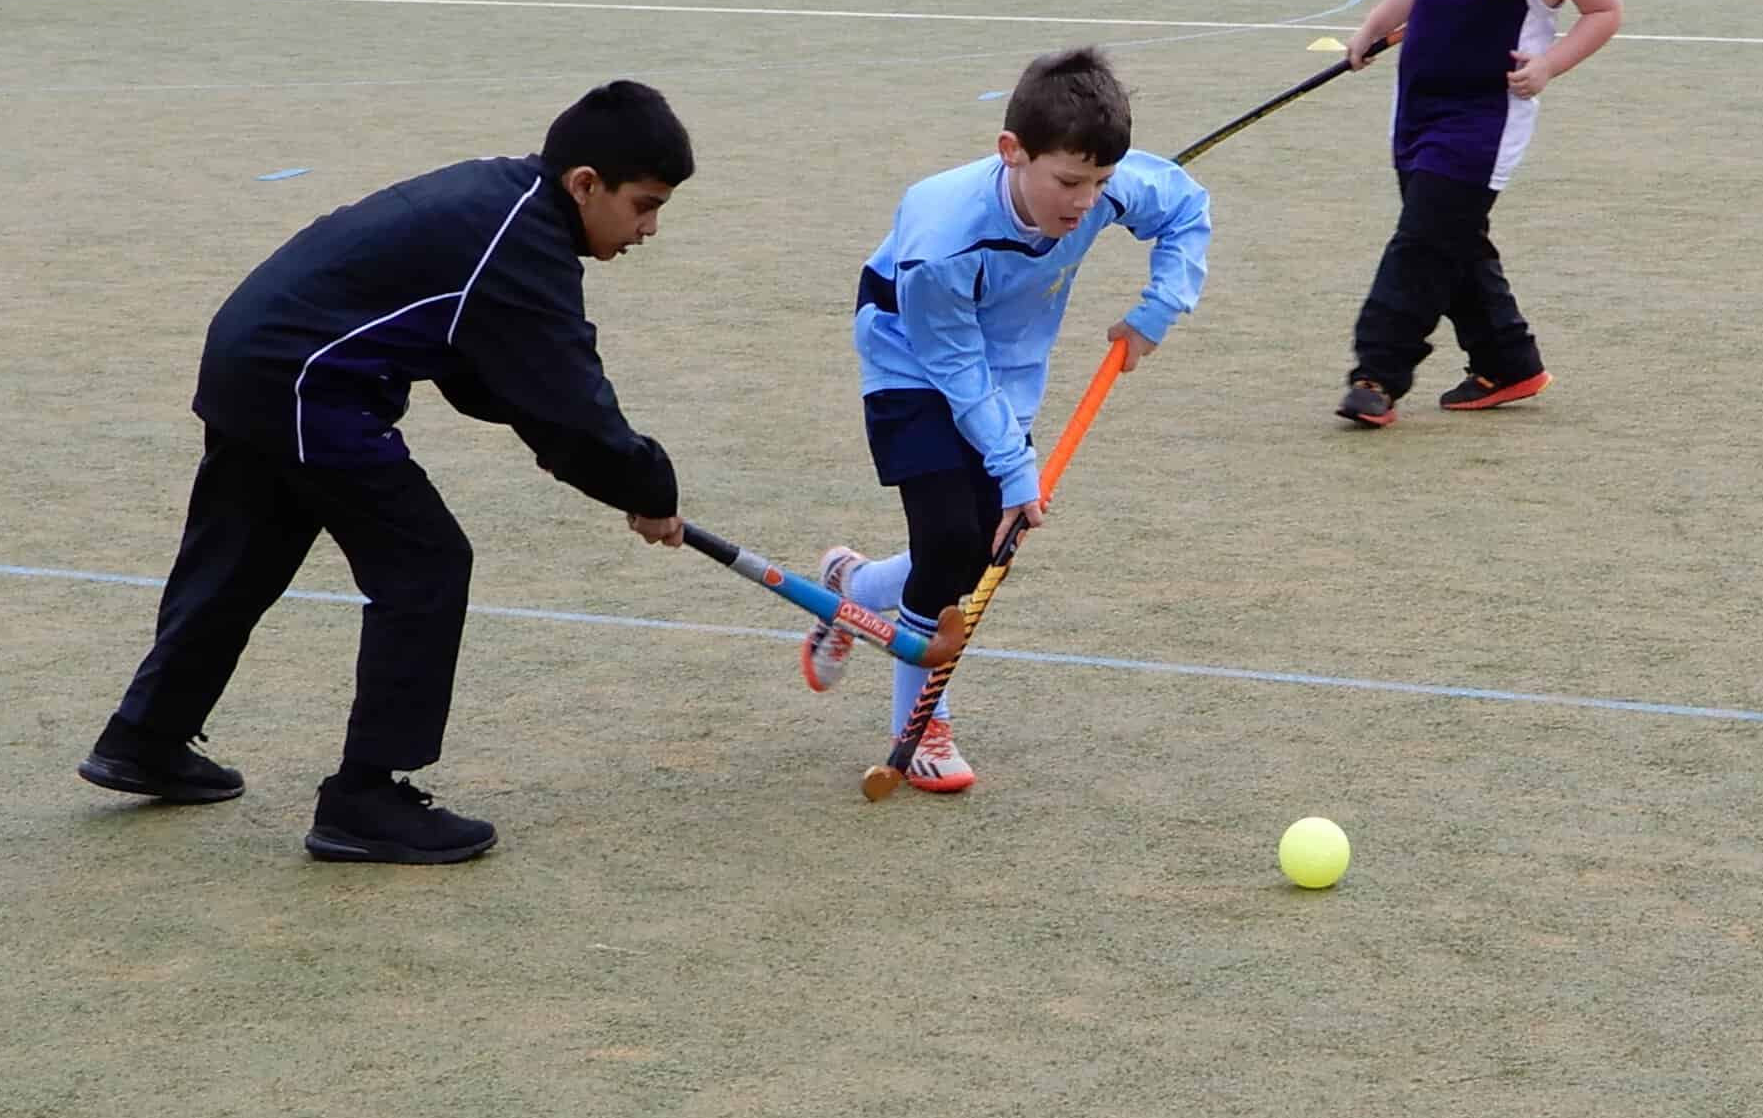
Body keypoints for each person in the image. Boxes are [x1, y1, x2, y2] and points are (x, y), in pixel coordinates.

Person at [77, 82, 694, 863]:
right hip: (306, 383)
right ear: (585, 184)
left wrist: (606, 469)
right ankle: (367, 798)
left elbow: (492, 373)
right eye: (644, 205)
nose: (648, 228)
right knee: (426, 562)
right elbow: (570, 405)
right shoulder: (524, 245)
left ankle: (144, 736)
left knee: (241, 557)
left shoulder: (504, 202)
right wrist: (646, 487)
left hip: (251, 357)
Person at [794, 47, 1210, 791]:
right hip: (911, 359)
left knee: (975, 554)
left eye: (1100, 183)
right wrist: (1017, 468)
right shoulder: (942, 236)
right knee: (949, 539)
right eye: (1069, 183)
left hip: (1008, 373)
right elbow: (954, 364)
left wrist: (1157, 309)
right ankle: (920, 725)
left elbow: (1186, 208)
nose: (1085, 203)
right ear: (1012, 151)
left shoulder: (1106, 185)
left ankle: (852, 589)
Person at [1335, 0, 1623, 430]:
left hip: (1482, 124)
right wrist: (1371, 28)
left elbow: (1605, 11)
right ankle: (1507, 361)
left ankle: (1377, 373)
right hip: (1416, 107)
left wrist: (1548, 65)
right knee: (1451, 239)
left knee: (1421, 244)